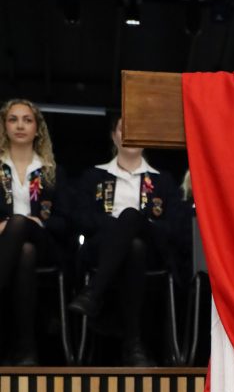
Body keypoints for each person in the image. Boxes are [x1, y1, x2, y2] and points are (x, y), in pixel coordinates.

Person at [69, 114, 184, 365]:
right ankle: (133, 346)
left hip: (154, 253)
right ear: (113, 136)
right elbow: (79, 218)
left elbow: (175, 228)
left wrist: (137, 223)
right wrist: (119, 226)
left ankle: (93, 293)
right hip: (102, 251)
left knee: (133, 221)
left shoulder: (163, 180)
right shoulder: (94, 176)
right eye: (123, 129)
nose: (130, 134)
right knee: (134, 245)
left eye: (137, 128)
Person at [0, 98, 69, 364]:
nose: (20, 126)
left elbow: (67, 221)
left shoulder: (51, 171)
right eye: (13, 119)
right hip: (6, 245)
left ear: (37, 129)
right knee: (24, 252)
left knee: (21, 226)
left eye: (27, 120)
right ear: (4, 126)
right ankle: (27, 350)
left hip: (45, 243)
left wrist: (38, 222)